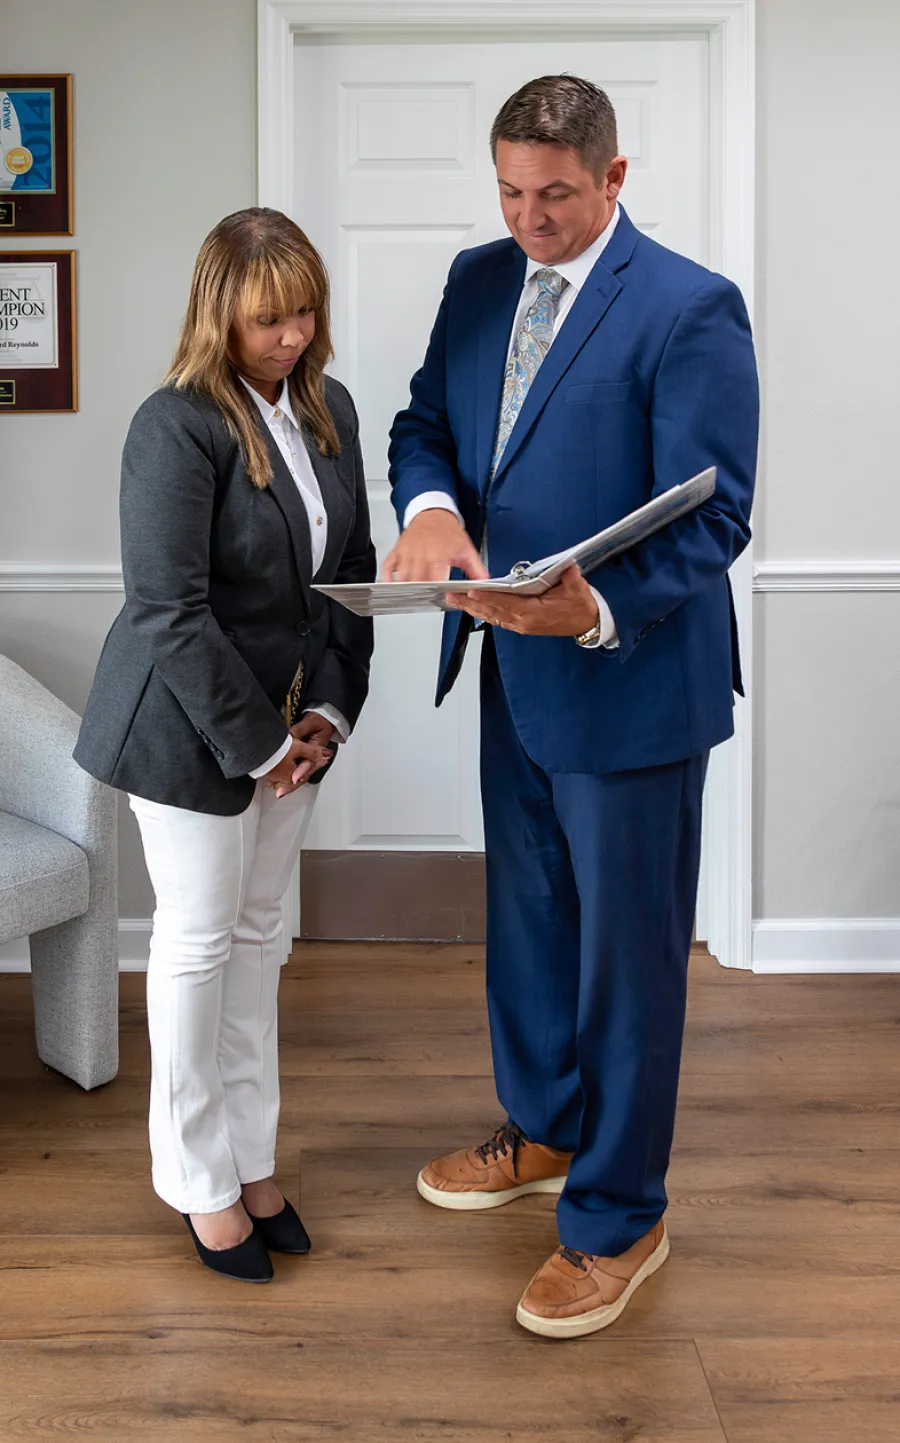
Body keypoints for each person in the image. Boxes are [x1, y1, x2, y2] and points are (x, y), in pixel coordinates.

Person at [385, 75, 758, 1338]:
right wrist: (431, 510)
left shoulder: (689, 306)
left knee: (627, 961)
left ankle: (619, 1218)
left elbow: (716, 513)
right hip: (509, 666)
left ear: (614, 178)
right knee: (532, 924)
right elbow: (424, 424)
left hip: (633, 675)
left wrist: (594, 609)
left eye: (553, 194)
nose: (528, 218)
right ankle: (546, 1131)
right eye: (508, 190)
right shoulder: (478, 280)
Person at [74, 208, 375, 1283]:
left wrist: (328, 716)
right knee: (200, 947)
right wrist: (259, 748)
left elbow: (351, 575)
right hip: (189, 733)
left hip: (294, 730)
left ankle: (254, 1160)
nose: (290, 336)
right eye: (267, 320)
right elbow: (167, 609)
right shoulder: (176, 424)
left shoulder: (328, 408)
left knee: (257, 943)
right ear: (220, 315)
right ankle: (199, 1181)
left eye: (304, 313)